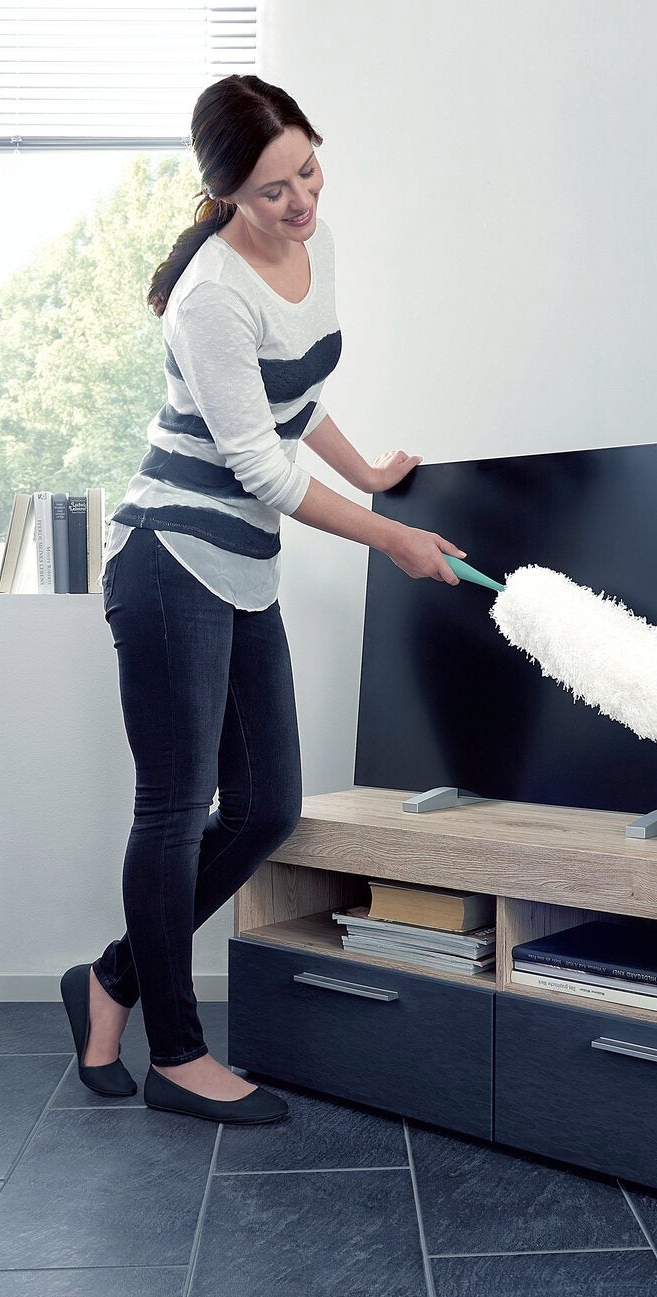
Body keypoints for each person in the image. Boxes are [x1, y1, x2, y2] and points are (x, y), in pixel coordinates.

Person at [58, 74, 468, 1125]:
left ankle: (108, 979)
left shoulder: (311, 250)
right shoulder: (208, 294)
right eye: (270, 192)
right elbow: (261, 469)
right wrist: (388, 538)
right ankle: (177, 1055)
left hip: (240, 571)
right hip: (169, 562)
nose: (299, 204)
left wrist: (370, 471)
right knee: (173, 807)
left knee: (269, 807)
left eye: (307, 173)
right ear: (225, 193)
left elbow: (295, 394)